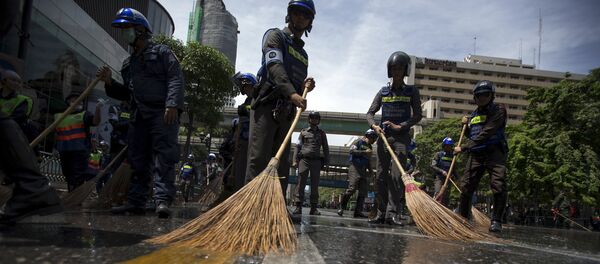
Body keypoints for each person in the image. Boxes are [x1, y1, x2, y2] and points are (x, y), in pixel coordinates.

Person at [97, 8, 184, 218]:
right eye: (122, 29)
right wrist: (109, 82)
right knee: (138, 159)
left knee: (164, 157)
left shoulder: (162, 52)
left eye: (127, 28)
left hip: (162, 113)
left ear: (141, 30)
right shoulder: (128, 63)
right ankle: (136, 201)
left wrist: (172, 104)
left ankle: (162, 201)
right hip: (139, 115)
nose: (124, 33)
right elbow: (128, 93)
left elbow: (175, 77)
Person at [245, 0, 316, 196]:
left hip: (287, 112)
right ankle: (250, 207)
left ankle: (276, 206)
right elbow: (275, 66)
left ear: (310, 21)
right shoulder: (275, 36)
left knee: (282, 164)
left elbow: (295, 80)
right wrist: (292, 93)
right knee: (259, 159)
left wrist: (304, 88)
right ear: (289, 14)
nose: (300, 18)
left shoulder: (303, 54)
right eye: (297, 13)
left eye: (305, 15)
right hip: (267, 105)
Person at [366, 51, 422, 225]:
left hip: (401, 139)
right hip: (384, 138)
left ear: (405, 70)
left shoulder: (412, 91)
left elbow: (417, 115)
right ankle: (381, 212)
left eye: (400, 68)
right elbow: (370, 113)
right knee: (381, 175)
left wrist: (401, 126)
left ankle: (393, 212)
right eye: (394, 68)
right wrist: (374, 126)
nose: (397, 71)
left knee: (397, 176)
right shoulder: (383, 92)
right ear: (390, 71)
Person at [454, 80, 508, 233]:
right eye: (479, 95)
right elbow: (473, 134)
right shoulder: (474, 114)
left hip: (494, 152)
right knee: (466, 186)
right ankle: (464, 217)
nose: (482, 98)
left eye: (486, 95)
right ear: (475, 98)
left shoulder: (499, 110)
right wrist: (464, 128)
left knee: (498, 185)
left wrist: (463, 147)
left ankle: (496, 220)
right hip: (476, 153)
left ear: (492, 95)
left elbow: (487, 132)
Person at [54, 93, 101, 191]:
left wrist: (98, 109)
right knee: (67, 174)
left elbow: (95, 122)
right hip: (64, 150)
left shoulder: (84, 114)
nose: (79, 102)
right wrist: (55, 147)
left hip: (80, 151)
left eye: (80, 100)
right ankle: (71, 194)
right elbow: (56, 133)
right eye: (75, 100)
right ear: (69, 102)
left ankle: (74, 197)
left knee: (77, 175)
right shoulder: (58, 116)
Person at [292, 111, 329, 215]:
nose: (314, 119)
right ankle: (298, 207)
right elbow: (297, 146)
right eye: (312, 118)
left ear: (319, 120)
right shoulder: (303, 132)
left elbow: (326, 148)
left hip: (316, 161)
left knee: (315, 184)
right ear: (309, 119)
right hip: (304, 160)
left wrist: (327, 163)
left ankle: (313, 208)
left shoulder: (322, 133)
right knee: (300, 183)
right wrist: (294, 160)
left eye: (316, 118)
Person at [338, 129, 377, 218]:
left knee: (363, 191)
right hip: (354, 167)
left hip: (363, 170)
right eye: (373, 138)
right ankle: (342, 208)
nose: (374, 140)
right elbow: (351, 151)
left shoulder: (370, 147)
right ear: (368, 136)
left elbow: (368, 160)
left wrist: (371, 172)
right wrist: (363, 152)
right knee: (352, 188)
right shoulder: (358, 142)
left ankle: (358, 211)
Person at [230, 72, 256, 192]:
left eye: (245, 86)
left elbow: (254, 111)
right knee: (239, 170)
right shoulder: (247, 100)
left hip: (253, 142)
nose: (244, 89)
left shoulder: (257, 99)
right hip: (242, 140)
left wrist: (245, 109)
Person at [0, 70, 35, 141]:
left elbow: (17, 119)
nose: (17, 84)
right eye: (13, 80)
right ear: (4, 81)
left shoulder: (25, 100)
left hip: (10, 138)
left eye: (19, 82)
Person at [431, 137, 458, 207]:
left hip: (448, 179)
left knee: (446, 197)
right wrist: (442, 171)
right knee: (438, 193)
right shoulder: (438, 154)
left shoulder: (453, 156)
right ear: (444, 146)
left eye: (450, 146)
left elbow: (454, 170)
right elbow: (433, 166)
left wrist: (458, 179)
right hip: (439, 177)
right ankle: (435, 208)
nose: (449, 147)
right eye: (447, 146)